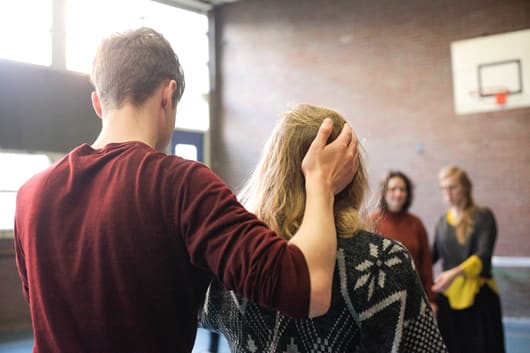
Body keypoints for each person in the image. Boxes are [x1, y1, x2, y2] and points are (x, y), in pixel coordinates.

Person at [13, 28, 359, 353]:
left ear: (98, 103)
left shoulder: (30, 195)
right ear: (167, 94)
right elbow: (309, 290)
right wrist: (320, 183)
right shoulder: (181, 185)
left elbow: (46, 307)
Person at [199, 104, 447, 353]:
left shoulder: (241, 258)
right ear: (352, 173)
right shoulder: (384, 260)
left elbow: (178, 308)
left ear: (273, 170)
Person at [432, 165, 505, 353]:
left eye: (453, 187)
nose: (447, 193)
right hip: (448, 299)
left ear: (465, 187)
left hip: (479, 299)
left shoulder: (483, 216)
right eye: (443, 188)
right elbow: (431, 256)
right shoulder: (442, 222)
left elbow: (483, 256)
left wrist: (453, 274)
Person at [371, 171, 437, 312]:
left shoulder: (416, 224)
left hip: (414, 298)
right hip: (380, 301)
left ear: (407, 194)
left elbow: (426, 264)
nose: (398, 193)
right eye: (393, 189)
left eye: (402, 189)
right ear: (384, 192)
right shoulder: (371, 222)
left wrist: (431, 299)